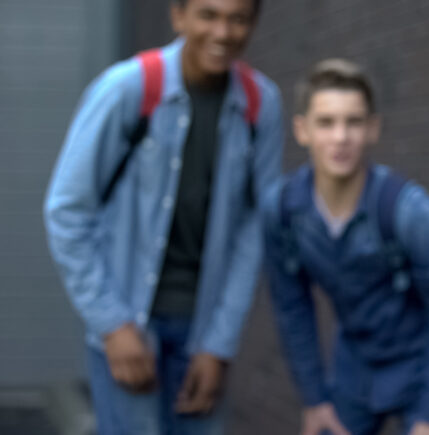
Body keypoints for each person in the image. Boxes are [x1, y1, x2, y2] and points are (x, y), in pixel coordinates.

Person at [43, 0, 283, 433]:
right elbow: (66, 211)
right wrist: (112, 325)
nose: (223, 32)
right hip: (128, 328)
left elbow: (255, 232)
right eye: (208, 15)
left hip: (203, 335)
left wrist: (220, 345)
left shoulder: (260, 104)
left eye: (238, 18)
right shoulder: (126, 89)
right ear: (178, 16)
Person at [262, 59, 429, 435]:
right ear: (302, 129)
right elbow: (292, 308)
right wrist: (314, 399)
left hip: (424, 364)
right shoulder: (282, 211)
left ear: (372, 128)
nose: (340, 136)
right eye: (326, 123)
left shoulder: (410, 212)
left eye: (353, 122)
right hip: (355, 365)